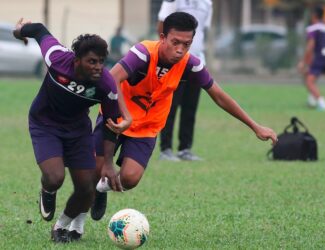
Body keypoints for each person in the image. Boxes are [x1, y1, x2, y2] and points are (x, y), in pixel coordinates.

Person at [90, 12, 277, 222]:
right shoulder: (142, 53)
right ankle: (81, 210)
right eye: (175, 42)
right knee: (95, 169)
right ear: (163, 37)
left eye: (186, 44)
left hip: (147, 126)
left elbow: (219, 96)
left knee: (130, 178)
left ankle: (101, 189)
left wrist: (255, 126)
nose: (180, 49)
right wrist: (125, 116)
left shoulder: (191, 64)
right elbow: (111, 79)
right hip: (116, 119)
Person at [13, 18, 131, 243]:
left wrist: (107, 162)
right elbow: (38, 30)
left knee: (86, 189)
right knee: (55, 177)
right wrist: (20, 32)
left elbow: (111, 122)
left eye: (102, 62)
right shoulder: (57, 58)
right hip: (44, 123)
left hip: (77, 131)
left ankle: (61, 227)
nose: (98, 67)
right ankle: (48, 191)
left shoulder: (106, 85)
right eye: (92, 61)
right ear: (77, 60)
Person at [157, 0, 213, 161]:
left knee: (190, 107)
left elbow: (202, 30)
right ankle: (166, 149)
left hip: (196, 61)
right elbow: (162, 25)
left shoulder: (207, 3)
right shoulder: (173, 1)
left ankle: (185, 149)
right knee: (170, 106)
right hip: (175, 62)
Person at [297, 6, 325, 111]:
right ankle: (312, 101)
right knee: (310, 76)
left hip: (321, 56)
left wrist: (303, 62)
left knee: (309, 81)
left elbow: (310, 46)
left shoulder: (312, 28)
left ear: (314, 15)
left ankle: (323, 104)